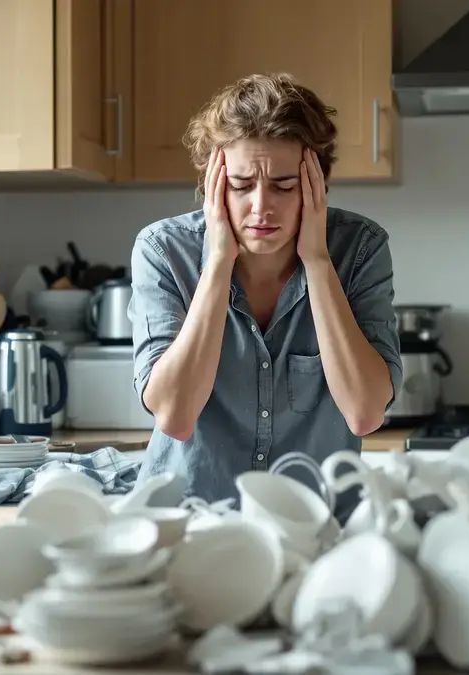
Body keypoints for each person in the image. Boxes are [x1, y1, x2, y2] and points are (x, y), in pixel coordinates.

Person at [127, 73, 402, 515]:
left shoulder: (360, 250)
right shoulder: (163, 251)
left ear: (317, 182)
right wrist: (218, 262)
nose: (260, 207)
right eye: (240, 185)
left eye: (284, 185)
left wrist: (318, 261)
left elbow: (364, 413)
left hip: (317, 525)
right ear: (213, 184)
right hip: (188, 521)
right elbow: (175, 417)